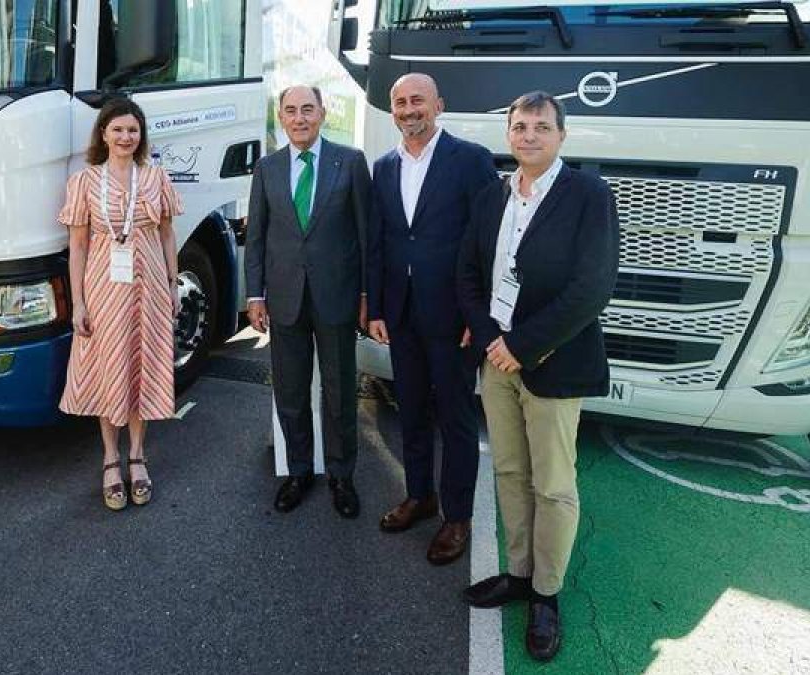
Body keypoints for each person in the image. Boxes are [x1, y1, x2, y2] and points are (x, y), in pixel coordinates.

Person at [456, 91, 619, 662]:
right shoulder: (491, 197)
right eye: (519, 126)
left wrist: (522, 346)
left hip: (552, 363)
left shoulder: (588, 195)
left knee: (553, 485)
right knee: (508, 472)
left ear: (561, 136)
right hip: (497, 360)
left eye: (540, 127)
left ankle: (547, 595)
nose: (528, 136)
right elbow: (470, 274)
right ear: (508, 134)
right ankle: (519, 574)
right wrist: (491, 338)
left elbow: (591, 287)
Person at [366, 73, 498, 565]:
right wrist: (376, 307)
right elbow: (379, 241)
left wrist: (479, 313)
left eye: (417, 100)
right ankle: (420, 496)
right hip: (401, 313)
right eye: (399, 102)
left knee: (457, 419)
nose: (407, 109)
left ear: (438, 105)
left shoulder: (470, 160)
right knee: (412, 410)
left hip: (454, 317)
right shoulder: (384, 167)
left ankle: (457, 517)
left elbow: (489, 239)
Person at [245, 85, 372, 518]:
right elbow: (257, 237)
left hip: (337, 298)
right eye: (291, 111)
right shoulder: (267, 168)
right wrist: (254, 295)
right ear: (281, 117)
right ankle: (298, 471)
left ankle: (341, 476)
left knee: (339, 394)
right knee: (292, 392)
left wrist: (366, 295)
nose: (300, 118)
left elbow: (365, 236)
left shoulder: (350, 162)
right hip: (283, 300)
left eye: (308, 110)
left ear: (322, 114)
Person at [57, 98, 184, 512]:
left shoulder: (156, 177)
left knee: (140, 366)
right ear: (104, 135)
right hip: (103, 290)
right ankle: (111, 457)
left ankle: (138, 455)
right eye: (118, 130)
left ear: (140, 135)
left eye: (133, 130)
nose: (126, 137)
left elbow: (167, 235)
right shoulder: (84, 182)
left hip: (148, 290)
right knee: (109, 367)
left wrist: (172, 284)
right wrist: (77, 303)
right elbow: (77, 246)